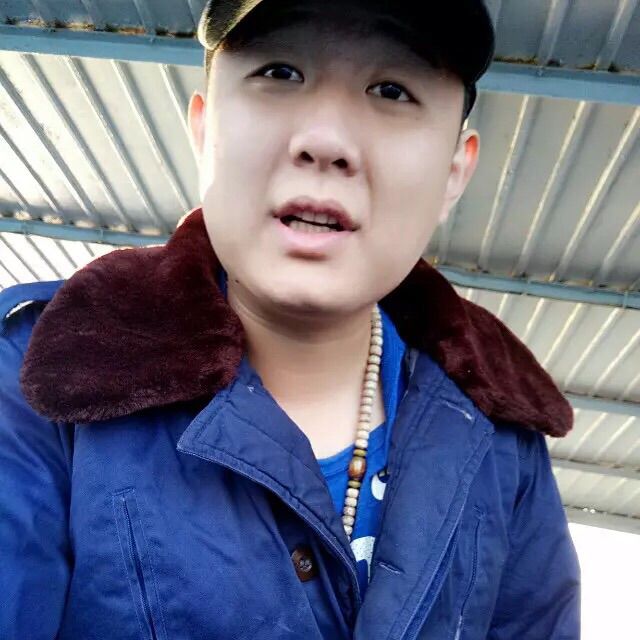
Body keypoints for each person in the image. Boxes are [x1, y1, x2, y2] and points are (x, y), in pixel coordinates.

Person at [0, 0, 581, 638]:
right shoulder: (41, 373)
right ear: (204, 129)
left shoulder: (503, 443)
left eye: (392, 90)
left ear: (454, 171)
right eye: (279, 73)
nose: (325, 141)